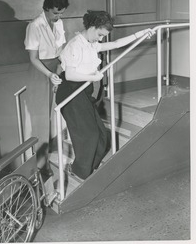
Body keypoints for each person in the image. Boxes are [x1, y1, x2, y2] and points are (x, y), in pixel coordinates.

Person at [56, 10, 155, 180]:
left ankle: (86, 170)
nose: (101, 39)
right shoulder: (75, 45)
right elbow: (70, 75)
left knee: (101, 135)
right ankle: (81, 173)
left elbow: (116, 43)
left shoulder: (90, 43)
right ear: (93, 27)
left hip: (82, 91)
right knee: (90, 135)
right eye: (100, 34)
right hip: (70, 92)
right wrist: (93, 77)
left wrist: (140, 34)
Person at [24, 0, 69, 177]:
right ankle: (41, 167)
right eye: (55, 13)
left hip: (56, 68)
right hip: (40, 71)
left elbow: (61, 49)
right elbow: (33, 58)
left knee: (57, 112)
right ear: (47, 8)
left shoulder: (59, 22)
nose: (58, 17)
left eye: (61, 13)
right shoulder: (35, 26)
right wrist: (50, 74)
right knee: (41, 119)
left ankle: (54, 150)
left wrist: (62, 67)